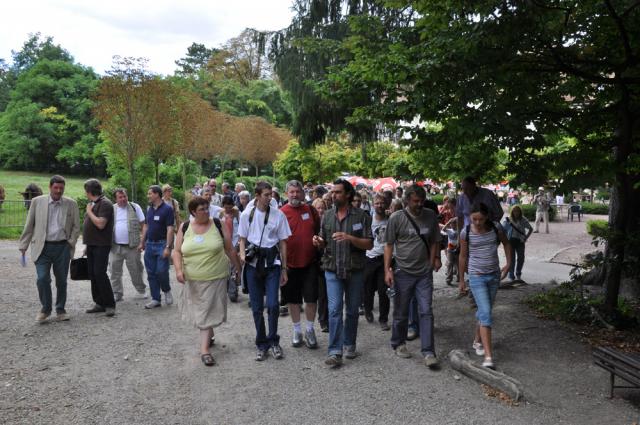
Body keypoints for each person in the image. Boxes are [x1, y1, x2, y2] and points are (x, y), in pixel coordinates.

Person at [172, 196, 241, 366]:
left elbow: (230, 249)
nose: (206, 211)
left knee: (206, 311)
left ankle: (204, 350)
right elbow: (177, 252)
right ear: (193, 212)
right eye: (201, 209)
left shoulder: (218, 224)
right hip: (193, 278)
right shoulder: (185, 227)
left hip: (215, 277)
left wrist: (238, 268)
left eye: (207, 208)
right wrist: (179, 270)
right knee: (203, 311)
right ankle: (208, 336)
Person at [313, 178, 373, 367]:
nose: (333, 195)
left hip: (354, 269)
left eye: (338, 192)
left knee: (353, 310)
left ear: (348, 194)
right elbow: (323, 239)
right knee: (335, 309)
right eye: (332, 192)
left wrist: (350, 238)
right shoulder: (327, 216)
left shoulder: (361, 216)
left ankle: (350, 343)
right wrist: (318, 241)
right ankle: (335, 351)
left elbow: (369, 243)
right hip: (332, 268)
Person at [384, 184, 442, 368]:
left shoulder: (430, 216)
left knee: (426, 311)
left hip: (423, 273)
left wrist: (432, 261)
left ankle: (428, 351)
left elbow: (434, 241)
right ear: (407, 200)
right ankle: (399, 343)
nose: (419, 204)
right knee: (401, 312)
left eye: (421, 201)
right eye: (415, 201)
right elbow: (389, 245)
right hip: (402, 271)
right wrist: (387, 270)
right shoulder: (396, 218)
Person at [238, 181, 291, 361]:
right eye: (266, 194)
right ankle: (261, 344)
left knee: (274, 305)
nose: (270, 197)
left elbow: (283, 242)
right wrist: (242, 255)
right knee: (257, 307)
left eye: (271, 194)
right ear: (257, 195)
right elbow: (242, 238)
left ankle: (274, 341)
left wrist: (284, 268)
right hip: (254, 263)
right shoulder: (247, 214)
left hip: (272, 262)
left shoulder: (278, 215)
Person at [19, 175, 80, 323]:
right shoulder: (37, 202)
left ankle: (60, 309)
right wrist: (23, 246)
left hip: (62, 248)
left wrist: (70, 243)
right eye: (56, 188)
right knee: (42, 279)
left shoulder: (71, 204)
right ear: (50, 187)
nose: (58, 191)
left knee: (62, 281)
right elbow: (29, 225)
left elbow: (76, 227)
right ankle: (45, 309)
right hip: (42, 247)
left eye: (61, 188)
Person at [458, 202, 512, 369]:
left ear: (487, 217)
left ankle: (476, 341)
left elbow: (507, 244)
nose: (477, 223)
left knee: (484, 311)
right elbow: (462, 256)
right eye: (474, 219)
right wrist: (461, 279)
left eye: (481, 219)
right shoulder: (466, 232)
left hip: (494, 276)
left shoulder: (496, 228)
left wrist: (508, 264)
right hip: (476, 277)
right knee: (486, 313)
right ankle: (488, 357)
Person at [280, 180, 321, 349]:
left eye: (298, 191)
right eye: (292, 192)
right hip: (289, 264)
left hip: (310, 262)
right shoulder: (281, 213)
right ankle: (297, 331)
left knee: (311, 299)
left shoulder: (310, 210)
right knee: (293, 300)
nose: (295, 194)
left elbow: (318, 230)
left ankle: (310, 330)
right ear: (286, 194)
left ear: (303, 193)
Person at [83, 178, 116, 317]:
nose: (85, 193)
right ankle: (99, 303)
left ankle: (109, 304)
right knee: (92, 273)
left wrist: (89, 211)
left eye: (86, 191)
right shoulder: (94, 203)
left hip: (102, 245)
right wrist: (87, 245)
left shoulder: (106, 204)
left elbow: (101, 224)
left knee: (100, 273)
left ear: (89, 191)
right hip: (92, 244)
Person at [140, 185, 175, 309]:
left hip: (162, 244)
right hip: (150, 244)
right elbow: (146, 226)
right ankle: (155, 299)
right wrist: (142, 241)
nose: (148, 196)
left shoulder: (167, 209)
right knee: (151, 273)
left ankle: (166, 290)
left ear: (157, 194)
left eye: (150, 193)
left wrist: (167, 247)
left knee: (161, 271)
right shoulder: (149, 209)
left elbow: (170, 229)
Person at [110, 188, 147, 302]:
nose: (123, 199)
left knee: (136, 269)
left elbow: (144, 225)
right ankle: (117, 293)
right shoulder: (111, 209)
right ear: (116, 199)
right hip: (115, 246)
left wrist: (142, 241)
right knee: (114, 271)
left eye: (124, 196)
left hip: (133, 246)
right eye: (120, 197)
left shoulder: (135, 207)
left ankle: (141, 290)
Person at [363, 193, 391, 330]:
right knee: (368, 289)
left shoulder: (391, 220)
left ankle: (383, 319)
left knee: (383, 290)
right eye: (377, 203)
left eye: (382, 203)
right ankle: (368, 310)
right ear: (373, 204)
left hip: (384, 260)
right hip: (369, 258)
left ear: (386, 204)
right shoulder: (368, 220)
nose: (380, 205)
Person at [311, 198, 329, 332]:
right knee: (321, 293)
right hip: (315, 261)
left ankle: (325, 319)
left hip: (328, 260)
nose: (321, 210)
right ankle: (322, 319)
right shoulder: (312, 224)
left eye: (323, 207)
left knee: (327, 293)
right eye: (318, 208)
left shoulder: (329, 223)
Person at [502, 205, 533, 282]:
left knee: (521, 258)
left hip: (520, 241)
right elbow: (502, 230)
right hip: (510, 241)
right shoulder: (508, 220)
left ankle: (518, 273)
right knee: (511, 260)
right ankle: (511, 276)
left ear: (520, 212)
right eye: (515, 211)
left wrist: (526, 237)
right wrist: (504, 240)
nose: (516, 213)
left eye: (518, 211)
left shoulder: (523, 220)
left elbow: (530, 229)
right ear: (512, 212)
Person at [220, 195, 241, 302]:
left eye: (230, 206)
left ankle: (233, 291)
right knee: (226, 268)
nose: (228, 209)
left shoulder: (237, 214)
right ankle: (229, 287)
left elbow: (242, 227)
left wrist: (240, 243)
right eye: (226, 207)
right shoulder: (220, 214)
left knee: (233, 267)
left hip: (235, 244)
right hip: (224, 245)